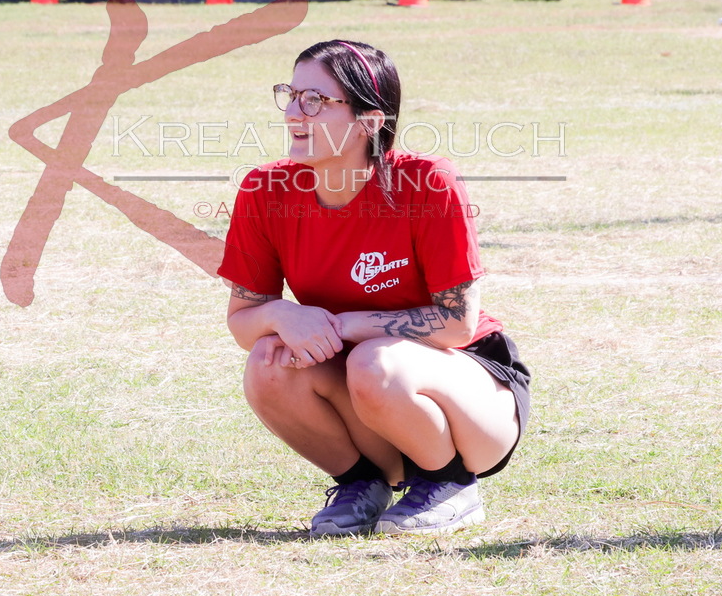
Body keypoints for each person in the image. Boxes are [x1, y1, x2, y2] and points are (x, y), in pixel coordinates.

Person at [219, 40, 530, 536]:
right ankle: (362, 484)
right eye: (291, 95)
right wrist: (282, 315)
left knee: (373, 361)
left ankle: (451, 484)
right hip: (367, 390)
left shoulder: (428, 182)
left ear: (369, 120)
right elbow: (243, 321)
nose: (295, 113)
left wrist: (346, 326)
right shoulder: (266, 189)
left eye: (316, 100)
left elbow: (457, 324)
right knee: (267, 363)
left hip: (470, 393)